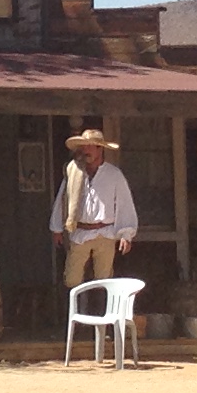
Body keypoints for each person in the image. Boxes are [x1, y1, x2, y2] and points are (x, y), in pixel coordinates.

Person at [50, 127, 140, 300]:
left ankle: (101, 314)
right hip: (80, 231)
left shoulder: (114, 175)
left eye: (90, 146)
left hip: (105, 232)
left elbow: (124, 204)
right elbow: (63, 198)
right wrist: (57, 228)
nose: (86, 150)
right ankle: (76, 313)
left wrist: (126, 234)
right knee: (72, 279)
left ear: (100, 149)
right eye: (84, 146)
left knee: (104, 279)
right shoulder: (74, 171)